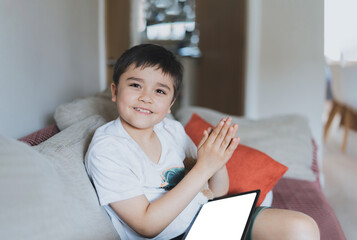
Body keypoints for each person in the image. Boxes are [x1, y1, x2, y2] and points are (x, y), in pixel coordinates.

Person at [85, 44, 320, 240]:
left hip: (206, 217)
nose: (146, 97)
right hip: (175, 235)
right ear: (115, 91)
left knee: (302, 227)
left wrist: (217, 159)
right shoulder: (108, 148)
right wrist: (203, 168)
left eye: (160, 91)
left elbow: (217, 191)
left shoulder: (171, 130)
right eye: (135, 85)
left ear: (170, 104)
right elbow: (147, 225)